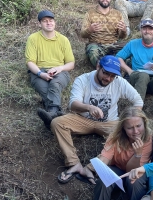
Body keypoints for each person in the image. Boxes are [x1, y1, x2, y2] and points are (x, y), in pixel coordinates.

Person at [51, 56, 143, 184]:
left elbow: (138, 101)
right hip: (83, 119)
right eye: (105, 73)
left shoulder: (119, 82)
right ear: (98, 67)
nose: (108, 78)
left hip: (109, 122)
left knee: (123, 135)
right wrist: (88, 107)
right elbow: (73, 104)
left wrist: (128, 119)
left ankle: (91, 168)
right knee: (57, 123)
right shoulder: (83, 79)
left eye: (112, 76)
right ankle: (74, 163)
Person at [83, 107, 153, 200]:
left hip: (135, 170)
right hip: (118, 168)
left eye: (138, 126)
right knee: (105, 179)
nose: (135, 131)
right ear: (123, 128)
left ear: (144, 123)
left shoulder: (148, 140)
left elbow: (132, 171)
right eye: (130, 128)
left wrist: (137, 155)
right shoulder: (115, 137)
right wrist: (99, 167)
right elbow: (106, 157)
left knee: (135, 182)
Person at [25, 10, 75, 128]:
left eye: (51, 21)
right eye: (45, 21)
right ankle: (56, 116)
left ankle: (50, 116)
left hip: (60, 71)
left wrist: (60, 68)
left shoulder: (63, 40)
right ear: (39, 24)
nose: (49, 23)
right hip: (39, 71)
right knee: (45, 89)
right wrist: (40, 74)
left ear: (54, 22)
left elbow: (71, 63)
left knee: (55, 84)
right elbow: (30, 62)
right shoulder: (33, 38)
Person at [116, 18, 153, 108]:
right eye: (144, 28)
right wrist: (129, 71)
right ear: (141, 30)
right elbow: (118, 57)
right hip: (136, 79)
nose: (147, 31)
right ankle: (136, 111)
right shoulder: (133, 44)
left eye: (150, 28)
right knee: (143, 75)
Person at [80, 0, 128, 67]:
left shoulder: (117, 14)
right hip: (96, 45)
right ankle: (103, 69)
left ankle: (123, 70)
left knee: (130, 48)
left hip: (114, 44)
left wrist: (124, 30)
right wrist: (90, 30)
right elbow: (82, 34)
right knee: (92, 51)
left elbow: (122, 36)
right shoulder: (90, 14)